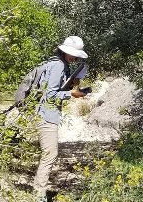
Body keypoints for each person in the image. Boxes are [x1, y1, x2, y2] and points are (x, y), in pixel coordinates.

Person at [34, 35, 90, 202]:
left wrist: (71, 84)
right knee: (50, 154)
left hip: (46, 113)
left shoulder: (58, 64)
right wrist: (71, 94)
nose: (74, 58)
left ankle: (39, 193)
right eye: (73, 54)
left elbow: (56, 89)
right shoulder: (58, 65)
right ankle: (39, 195)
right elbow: (50, 95)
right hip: (46, 114)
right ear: (64, 51)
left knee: (49, 153)